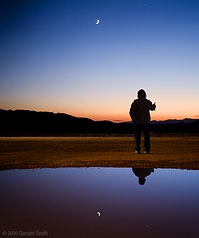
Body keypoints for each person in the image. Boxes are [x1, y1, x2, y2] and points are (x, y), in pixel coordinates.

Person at [129, 89, 156, 154]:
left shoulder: (135, 102)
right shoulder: (148, 102)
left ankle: (137, 149)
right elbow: (152, 108)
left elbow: (131, 112)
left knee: (137, 137)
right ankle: (146, 150)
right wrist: (154, 106)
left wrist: (133, 119)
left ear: (138, 95)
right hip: (146, 122)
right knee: (146, 137)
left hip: (137, 122)